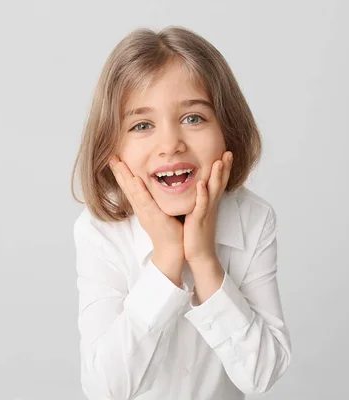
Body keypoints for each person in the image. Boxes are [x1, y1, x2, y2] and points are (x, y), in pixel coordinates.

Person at [70, 25, 291, 400]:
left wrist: (204, 260)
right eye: (142, 125)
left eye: (193, 118)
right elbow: (106, 388)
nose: (170, 144)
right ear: (113, 149)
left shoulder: (253, 219)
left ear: (228, 132)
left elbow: (261, 375)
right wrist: (168, 260)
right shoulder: (101, 231)